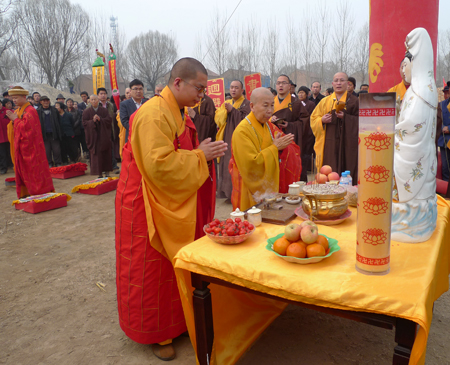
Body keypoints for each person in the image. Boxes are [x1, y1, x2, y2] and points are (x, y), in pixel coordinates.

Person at [115, 57, 227, 361]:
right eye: (199, 88)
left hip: (169, 196)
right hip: (145, 200)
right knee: (151, 265)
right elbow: (159, 166)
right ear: (177, 83)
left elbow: (175, 154)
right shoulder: (152, 114)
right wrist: (199, 157)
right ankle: (155, 331)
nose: (202, 95)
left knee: (174, 263)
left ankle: (177, 321)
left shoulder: (178, 110)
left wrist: (198, 152)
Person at [230, 87, 300, 210]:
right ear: (252, 106)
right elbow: (250, 165)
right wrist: (274, 148)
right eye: (265, 106)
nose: (270, 111)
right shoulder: (242, 131)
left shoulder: (269, 126)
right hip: (248, 188)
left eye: (272, 106)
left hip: (267, 191)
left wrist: (280, 148)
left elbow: (289, 147)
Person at [311, 72, 359, 183]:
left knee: (348, 166)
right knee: (329, 167)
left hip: (348, 143)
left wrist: (346, 117)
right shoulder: (324, 101)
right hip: (329, 142)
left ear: (347, 84)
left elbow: (362, 121)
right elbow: (313, 119)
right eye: (336, 80)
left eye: (342, 80)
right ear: (332, 83)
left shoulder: (355, 101)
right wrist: (321, 120)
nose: (338, 83)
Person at [5, 86, 54, 198]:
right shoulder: (18, 110)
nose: (14, 100)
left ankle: (38, 193)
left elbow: (28, 131)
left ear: (24, 97)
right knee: (24, 171)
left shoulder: (30, 111)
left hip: (32, 149)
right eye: (13, 98)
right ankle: (26, 192)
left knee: (34, 171)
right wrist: (13, 121)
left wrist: (15, 120)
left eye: (16, 97)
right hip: (22, 148)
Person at [215, 79, 251, 200]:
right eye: (231, 87)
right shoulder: (226, 102)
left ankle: (237, 193)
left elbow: (246, 120)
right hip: (226, 137)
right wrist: (224, 112)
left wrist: (233, 111)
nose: (233, 90)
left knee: (237, 164)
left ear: (242, 90)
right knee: (226, 165)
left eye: (236, 87)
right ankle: (227, 192)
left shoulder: (246, 103)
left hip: (239, 140)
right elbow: (218, 120)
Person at [270, 75, 309, 170]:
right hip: (272, 139)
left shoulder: (296, 102)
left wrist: (290, 125)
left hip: (290, 139)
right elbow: (261, 117)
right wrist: (270, 119)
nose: (281, 85)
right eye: (278, 83)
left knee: (289, 167)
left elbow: (305, 121)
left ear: (289, 86)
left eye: (284, 83)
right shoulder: (270, 101)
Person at [82, 94, 112, 178]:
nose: (94, 101)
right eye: (92, 100)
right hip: (93, 137)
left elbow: (109, 120)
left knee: (106, 153)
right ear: (89, 101)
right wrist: (92, 121)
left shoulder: (104, 110)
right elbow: (84, 123)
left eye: (95, 99)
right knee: (96, 155)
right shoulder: (86, 112)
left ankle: (107, 172)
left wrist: (100, 119)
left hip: (103, 136)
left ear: (98, 100)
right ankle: (99, 173)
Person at [119, 79, 149, 143]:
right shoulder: (124, 104)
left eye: (140, 89)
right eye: (135, 89)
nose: (138, 91)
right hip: (132, 136)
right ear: (130, 91)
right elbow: (124, 121)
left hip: (147, 136)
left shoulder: (147, 103)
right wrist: (138, 130)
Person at [37, 95, 63, 168]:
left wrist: (59, 133)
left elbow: (59, 122)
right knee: (46, 151)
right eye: (44, 101)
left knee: (56, 150)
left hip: (54, 133)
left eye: (47, 100)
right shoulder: (38, 112)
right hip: (44, 134)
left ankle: (58, 163)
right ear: (41, 102)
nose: (46, 102)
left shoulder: (54, 110)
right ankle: (49, 163)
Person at [97, 87, 120, 169]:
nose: (103, 95)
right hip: (99, 130)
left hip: (109, 129)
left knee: (111, 147)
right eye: (101, 94)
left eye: (104, 94)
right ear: (98, 95)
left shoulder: (110, 105)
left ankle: (113, 164)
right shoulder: (94, 105)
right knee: (101, 148)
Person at [297, 86, 316, 180]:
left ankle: (308, 167)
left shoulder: (311, 104)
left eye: (302, 93)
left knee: (307, 150)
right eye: (299, 92)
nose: (300, 94)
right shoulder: (296, 103)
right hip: (298, 130)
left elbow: (311, 117)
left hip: (308, 131)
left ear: (307, 94)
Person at [438, 83, 450, 182]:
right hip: (444, 141)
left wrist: (449, 128)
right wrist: (442, 128)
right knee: (445, 167)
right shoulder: (441, 105)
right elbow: (436, 121)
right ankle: (447, 192)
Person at [0, 99, 13, 174]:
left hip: (9, 136)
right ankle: (3, 168)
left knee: (11, 152)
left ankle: (13, 165)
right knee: (2, 154)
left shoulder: (7, 111)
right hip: (1, 138)